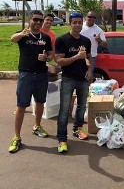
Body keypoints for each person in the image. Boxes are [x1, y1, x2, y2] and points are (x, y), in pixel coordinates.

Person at [8, 11, 54, 153]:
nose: (38, 23)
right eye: (36, 20)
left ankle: (37, 126)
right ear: (30, 20)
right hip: (26, 75)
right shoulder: (23, 35)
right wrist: (22, 34)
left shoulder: (45, 37)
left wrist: (45, 58)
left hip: (41, 75)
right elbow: (12, 39)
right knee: (21, 106)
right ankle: (16, 137)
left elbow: (51, 55)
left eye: (41, 20)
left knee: (40, 102)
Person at [55, 12, 92, 153]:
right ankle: (62, 139)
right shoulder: (62, 40)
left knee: (82, 107)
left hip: (83, 79)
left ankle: (77, 129)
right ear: (69, 23)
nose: (77, 25)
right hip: (68, 79)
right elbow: (59, 61)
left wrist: (89, 70)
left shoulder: (86, 41)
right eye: (74, 22)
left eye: (79, 22)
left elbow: (89, 58)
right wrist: (76, 56)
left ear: (82, 23)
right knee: (64, 110)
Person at [80, 11, 107, 78]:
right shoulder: (80, 26)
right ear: (86, 17)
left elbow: (105, 44)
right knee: (78, 74)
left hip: (91, 56)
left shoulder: (98, 30)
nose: (91, 18)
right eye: (89, 17)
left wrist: (100, 40)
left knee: (89, 75)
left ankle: (87, 88)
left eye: (93, 17)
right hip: (79, 55)